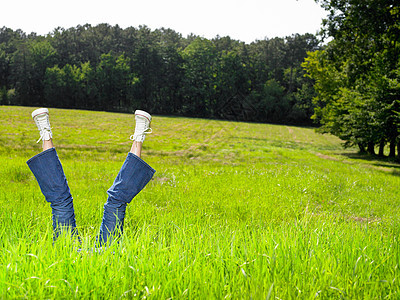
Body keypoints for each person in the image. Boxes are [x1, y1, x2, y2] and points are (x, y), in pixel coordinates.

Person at [26, 108, 156, 246]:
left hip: (68, 253)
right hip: (106, 254)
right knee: (116, 202)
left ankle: (46, 135)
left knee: (60, 202)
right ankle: (138, 137)